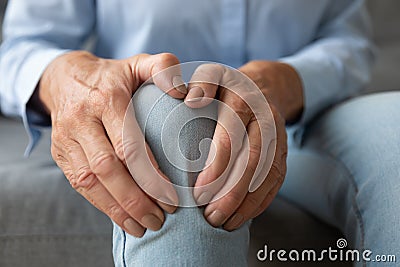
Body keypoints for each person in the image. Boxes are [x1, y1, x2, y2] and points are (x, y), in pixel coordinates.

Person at [0, 0, 399, 266]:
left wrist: (284, 80)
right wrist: (67, 80)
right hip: (149, 116)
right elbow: (21, 48)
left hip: (306, 114)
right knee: (183, 126)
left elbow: (349, 39)